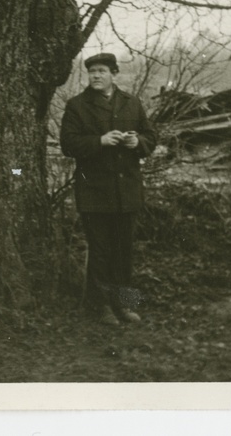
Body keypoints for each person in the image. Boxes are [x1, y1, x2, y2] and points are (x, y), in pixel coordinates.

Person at [59, 52, 156, 326]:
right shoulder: (77, 106)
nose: (96, 76)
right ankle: (100, 307)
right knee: (100, 251)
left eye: (102, 71)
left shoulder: (131, 103)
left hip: (127, 192)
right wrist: (99, 141)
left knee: (124, 251)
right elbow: (68, 144)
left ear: (115, 74)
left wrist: (138, 143)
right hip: (94, 193)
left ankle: (125, 305)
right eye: (92, 72)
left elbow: (151, 136)